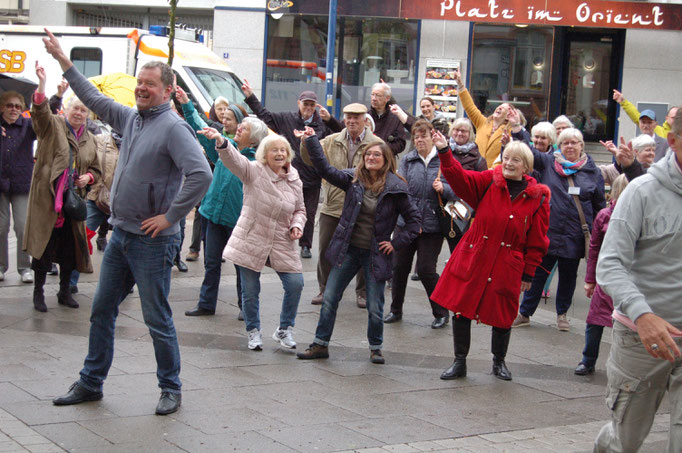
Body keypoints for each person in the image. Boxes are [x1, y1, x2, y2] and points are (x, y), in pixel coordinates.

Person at [44, 30, 212, 415]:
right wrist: (62, 60)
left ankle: (171, 387)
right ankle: (91, 382)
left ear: (168, 91)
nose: (142, 89)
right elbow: (93, 98)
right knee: (102, 309)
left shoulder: (173, 127)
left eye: (150, 85)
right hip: (121, 234)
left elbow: (201, 173)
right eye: (140, 83)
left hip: (153, 241)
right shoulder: (132, 118)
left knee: (157, 317)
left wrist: (170, 216)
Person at [593, 109, 682, 453]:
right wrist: (642, 316)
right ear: (672, 142)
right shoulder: (641, 192)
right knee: (624, 440)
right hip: (641, 337)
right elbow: (610, 263)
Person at [432, 133, 550, 381]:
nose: (508, 163)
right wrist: (444, 151)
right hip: (475, 257)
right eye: (506, 158)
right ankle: (459, 362)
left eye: (515, 160)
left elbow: (537, 240)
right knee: (462, 309)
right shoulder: (489, 181)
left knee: (503, 314)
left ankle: (499, 362)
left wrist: (529, 272)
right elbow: (459, 178)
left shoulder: (538, 198)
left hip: (508, 263)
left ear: (526, 167)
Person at [296, 133, 421, 364]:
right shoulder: (353, 179)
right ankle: (320, 344)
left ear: (386, 160)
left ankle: (375, 347)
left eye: (377, 155)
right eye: (368, 154)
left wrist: (395, 243)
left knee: (375, 305)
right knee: (330, 297)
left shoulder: (396, 186)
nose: (371, 158)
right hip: (349, 250)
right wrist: (312, 141)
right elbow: (324, 169)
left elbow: (415, 222)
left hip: (376, 254)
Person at [200, 129, 305, 351]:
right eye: (274, 150)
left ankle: (284, 329)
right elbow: (234, 160)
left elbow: (300, 210)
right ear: (264, 154)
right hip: (252, 236)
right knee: (249, 291)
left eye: (283, 150)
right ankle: (253, 331)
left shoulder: (295, 179)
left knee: (296, 284)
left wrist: (297, 225)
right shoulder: (254, 170)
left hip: (281, 239)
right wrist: (221, 140)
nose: (279, 154)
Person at [178, 85, 269, 319]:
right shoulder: (223, 147)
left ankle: (245, 307)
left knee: (241, 266)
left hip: (238, 219)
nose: (237, 130)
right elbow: (201, 127)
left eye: (243, 128)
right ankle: (206, 303)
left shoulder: (257, 162)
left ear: (254, 137)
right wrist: (187, 105)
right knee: (211, 263)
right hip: (212, 214)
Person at [24, 62, 102, 312]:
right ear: (67, 110)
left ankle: (64, 291)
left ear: (88, 115)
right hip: (48, 199)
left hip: (74, 201)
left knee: (70, 248)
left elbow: (97, 170)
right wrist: (44, 85)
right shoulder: (53, 126)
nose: (79, 113)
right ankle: (38, 292)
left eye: (83, 110)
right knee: (43, 247)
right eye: (75, 108)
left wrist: (88, 178)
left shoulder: (90, 139)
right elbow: (39, 113)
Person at [513, 128, 606, 331]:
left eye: (574, 142)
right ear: (559, 146)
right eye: (566, 143)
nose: (570, 146)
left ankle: (562, 315)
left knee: (568, 277)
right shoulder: (548, 163)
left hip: (574, 237)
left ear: (582, 145)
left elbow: (599, 206)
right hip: (547, 233)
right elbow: (531, 152)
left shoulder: (592, 172)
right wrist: (518, 130)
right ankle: (525, 313)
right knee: (537, 275)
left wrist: (601, 231)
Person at [242, 81, 340, 260]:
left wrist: (330, 120)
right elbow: (265, 116)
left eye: (312, 105)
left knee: (308, 213)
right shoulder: (287, 118)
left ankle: (305, 245)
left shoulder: (322, 125)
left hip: (312, 178)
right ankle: (279, 243)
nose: (308, 108)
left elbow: (341, 132)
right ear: (299, 104)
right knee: (282, 210)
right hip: (289, 177)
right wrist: (250, 96)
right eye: (305, 104)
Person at [300, 103, 384, 308]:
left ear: (365, 119)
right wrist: (305, 142)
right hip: (334, 204)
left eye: (357, 117)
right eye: (348, 117)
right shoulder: (331, 140)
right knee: (326, 249)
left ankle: (362, 292)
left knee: (365, 249)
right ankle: (325, 288)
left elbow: (388, 172)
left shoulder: (377, 143)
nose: (352, 121)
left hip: (364, 207)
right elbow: (309, 159)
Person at [384, 120, 451, 329]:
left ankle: (441, 312)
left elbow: (459, 188)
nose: (420, 140)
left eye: (424, 136)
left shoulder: (444, 161)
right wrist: (413, 221)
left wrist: (444, 189)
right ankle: (396, 310)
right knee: (398, 267)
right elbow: (400, 190)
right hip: (407, 224)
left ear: (433, 137)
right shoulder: (408, 161)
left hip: (432, 227)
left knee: (425, 270)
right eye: (416, 136)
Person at [574, 174, 628, 376]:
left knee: (625, 324)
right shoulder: (605, 215)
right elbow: (594, 248)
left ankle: (622, 364)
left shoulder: (641, 215)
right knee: (594, 322)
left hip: (629, 277)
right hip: (607, 276)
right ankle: (588, 360)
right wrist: (590, 279)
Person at [69, 131, 120, 293]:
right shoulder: (100, 140)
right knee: (82, 237)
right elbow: (88, 161)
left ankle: (123, 281)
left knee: (124, 244)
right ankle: (69, 282)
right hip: (96, 198)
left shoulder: (138, 140)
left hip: (123, 202)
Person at [0, 90, 35, 284]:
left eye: (18, 106)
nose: (14, 109)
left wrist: (53, 96)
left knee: (22, 226)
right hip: (0, 183)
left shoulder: (27, 126)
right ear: (2, 107)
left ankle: (24, 267)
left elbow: (46, 120)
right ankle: (0, 266)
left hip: (21, 182)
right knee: (1, 226)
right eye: (9, 105)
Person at [452, 69, 511, 168]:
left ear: (509, 116)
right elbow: (470, 107)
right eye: (500, 106)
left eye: (505, 108)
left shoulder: (510, 131)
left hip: (494, 175)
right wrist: (460, 85)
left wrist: (495, 169)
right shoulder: (483, 122)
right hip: (475, 173)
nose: (500, 107)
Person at [613, 89, 677, 140]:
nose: (676, 120)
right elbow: (636, 116)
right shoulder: (658, 130)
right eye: (673, 118)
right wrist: (623, 102)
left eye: (679, 117)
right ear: (667, 118)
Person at [368, 82, 407, 156]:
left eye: (378, 95)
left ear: (387, 98)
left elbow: (401, 143)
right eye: (372, 94)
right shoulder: (366, 117)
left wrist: (383, 149)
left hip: (387, 161)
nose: (374, 98)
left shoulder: (395, 117)